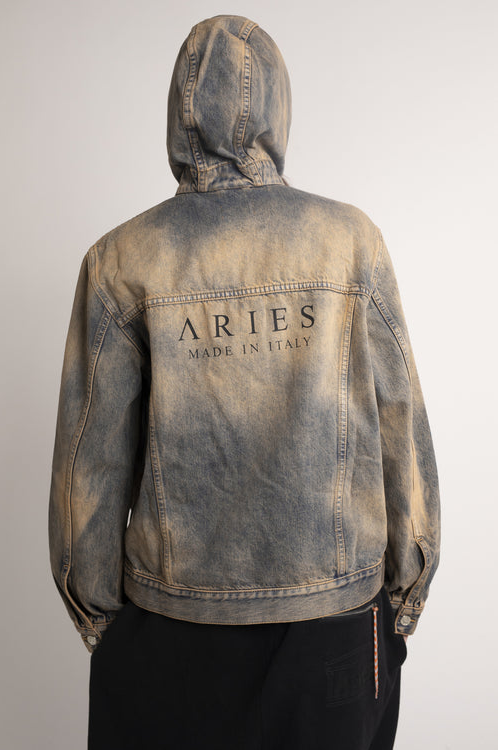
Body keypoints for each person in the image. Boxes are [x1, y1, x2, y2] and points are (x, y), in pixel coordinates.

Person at [48, 14, 441, 750]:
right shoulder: (350, 241)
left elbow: (87, 468)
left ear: (178, 112)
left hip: (171, 629)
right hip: (335, 624)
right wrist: (403, 594)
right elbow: (401, 425)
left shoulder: (121, 259)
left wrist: (101, 617)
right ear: (279, 110)